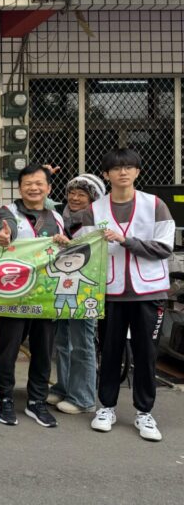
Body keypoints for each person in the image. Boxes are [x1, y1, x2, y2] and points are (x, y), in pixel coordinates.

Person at [76, 148, 174, 442]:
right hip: (110, 291)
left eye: (129, 167)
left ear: (137, 172)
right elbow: (83, 247)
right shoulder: (95, 210)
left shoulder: (155, 205)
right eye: (117, 168)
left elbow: (164, 247)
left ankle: (145, 412)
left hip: (148, 291)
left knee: (146, 353)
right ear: (106, 175)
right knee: (109, 352)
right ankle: (106, 407)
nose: (123, 172)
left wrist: (126, 241)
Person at [0, 163, 67, 428]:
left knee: (44, 351)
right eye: (28, 184)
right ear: (20, 188)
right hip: (14, 294)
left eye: (39, 184)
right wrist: (5, 234)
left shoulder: (56, 217)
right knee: (8, 350)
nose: (33, 188)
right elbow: (5, 227)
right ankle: (4, 397)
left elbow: (66, 249)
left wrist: (64, 242)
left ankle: (37, 401)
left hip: (46, 295)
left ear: (48, 188)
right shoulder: (8, 211)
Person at [47, 174, 105, 415]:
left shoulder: (98, 221)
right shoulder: (61, 217)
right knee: (62, 341)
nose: (75, 198)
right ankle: (64, 387)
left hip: (85, 291)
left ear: (93, 199)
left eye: (82, 194)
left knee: (82, 342)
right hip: (63, 287)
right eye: (72, 193)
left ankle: (83, 397)